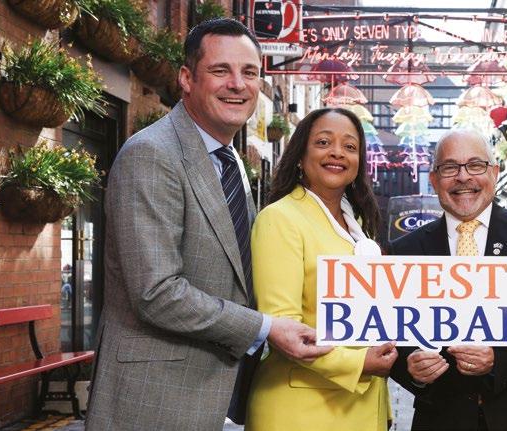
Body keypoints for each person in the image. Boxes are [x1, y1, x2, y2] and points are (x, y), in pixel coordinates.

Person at [86, 19, 331, 430]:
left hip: (216, 395)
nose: (237, 84)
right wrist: (266, 328)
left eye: (249, 72)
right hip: (154, 402)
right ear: (187, 78)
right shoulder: (152, 154)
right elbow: (157, 293)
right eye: (221, 70)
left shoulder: (228, 159)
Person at [389, 129, 507, 431]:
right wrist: (409, 366)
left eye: (475, 165)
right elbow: (387, 331)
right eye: (450, 167)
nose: (463, 177)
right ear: (434, 179)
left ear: (495, 172)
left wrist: (499, 361)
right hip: (441, 418)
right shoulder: (405, 251)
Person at [246, 107, 398, 431]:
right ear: (300, 156)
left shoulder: (357, 225)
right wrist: (360, 362)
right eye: (324, 142)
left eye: (349, 146)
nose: (337, 153)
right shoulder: (280, 219)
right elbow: (285, 328)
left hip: (362, 409)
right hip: (302, 413)